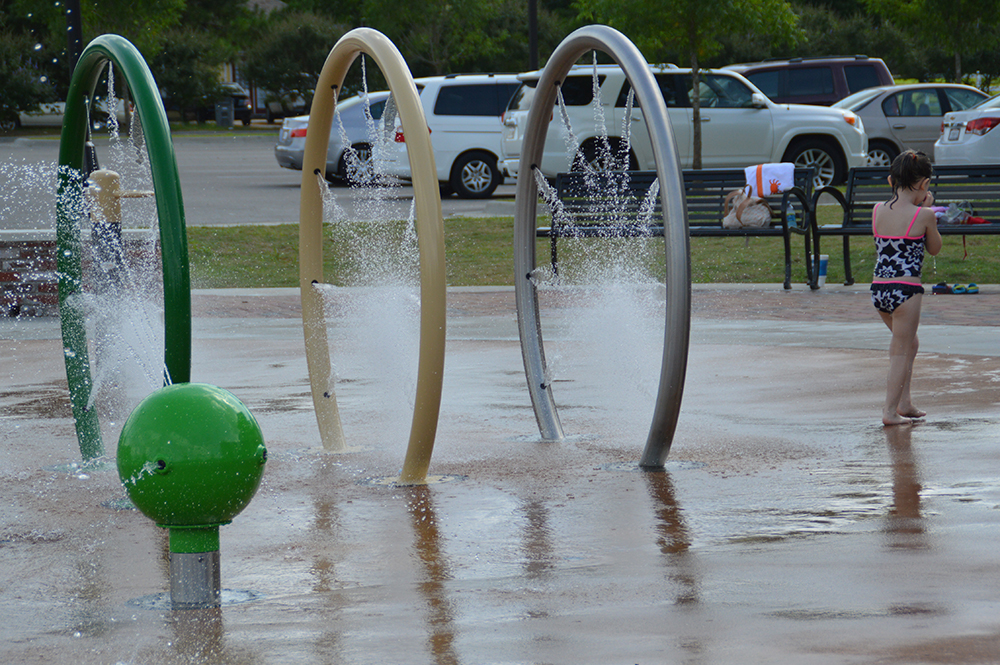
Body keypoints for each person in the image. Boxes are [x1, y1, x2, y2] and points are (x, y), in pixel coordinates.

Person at [871, 150, 942, 426]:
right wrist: (930, 211)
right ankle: (890, 411)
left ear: (891, 180)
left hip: (880, 289)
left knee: (907, 343)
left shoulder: (877, 210)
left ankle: (905, 402)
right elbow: (934, 249)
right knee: (902, 349)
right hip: (906, 290)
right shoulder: (924, 215)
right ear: (924, 184)